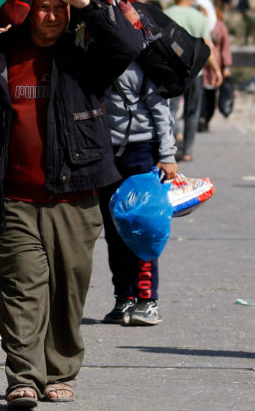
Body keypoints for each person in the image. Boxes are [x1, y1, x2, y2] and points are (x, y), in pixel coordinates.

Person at [0, 0, 143, 407]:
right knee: (21, 290)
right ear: (26, 10)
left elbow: (129, 43)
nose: (51, 16)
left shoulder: (85, 57)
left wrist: (83, 0)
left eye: (59, 8)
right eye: (42, 7)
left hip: (76, 197)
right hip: (14, 198)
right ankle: (24, 376)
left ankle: (61, 368)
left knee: (69, 291)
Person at [99, 61, 178, 327]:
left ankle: (147, 300)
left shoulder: (141, 66)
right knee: (114, 230)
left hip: (142, 153)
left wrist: (167, 155)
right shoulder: (94, 58)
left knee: (144, 227)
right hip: (106, 155)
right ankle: (124, 297)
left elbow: (161, 112)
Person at [163, 0, 222, 161]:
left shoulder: (166, 15)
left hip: (172, 70)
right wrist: (216, 69)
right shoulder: (199, 17)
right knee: (192, 111)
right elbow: (206, 46)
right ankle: (187, 151)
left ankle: (169, 148)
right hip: (195, 72)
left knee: (169, 110)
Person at [195, 0, 233, 132]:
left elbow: (225, 47)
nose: (201, 13)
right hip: (200, 67)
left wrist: (226, 67)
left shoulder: (219, 26)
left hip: (214, 67)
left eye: (202, 10)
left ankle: (206, 119)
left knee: (211, 97)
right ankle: (200, 119)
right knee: (200, 95)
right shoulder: (198, 23)